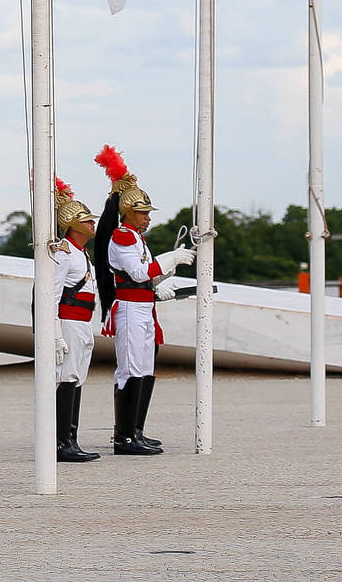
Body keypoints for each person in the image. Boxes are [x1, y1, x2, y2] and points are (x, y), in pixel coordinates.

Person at [92, 146, 192, 457]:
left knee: (145, 368)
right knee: (132, 368)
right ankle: (123, 437)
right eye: (143, 212)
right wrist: (169, 258)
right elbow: (136, 272)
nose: (148, 217)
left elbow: (145, 277)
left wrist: (164, 278)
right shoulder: (122, 237)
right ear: (129, 213)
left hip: (142, 306)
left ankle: (136, 430)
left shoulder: (138, 240)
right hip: (130, 310)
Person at [49, 176, 100, 464]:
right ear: (74, 225)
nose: (92, 224)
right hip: (67, 323)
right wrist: (55, 333)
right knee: (66, 378)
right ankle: (61, 443)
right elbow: (52, 296)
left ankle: (71, 439)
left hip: (82, 322)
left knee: (76, 379)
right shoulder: (64, 253)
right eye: (87, 221)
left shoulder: (82, 254)